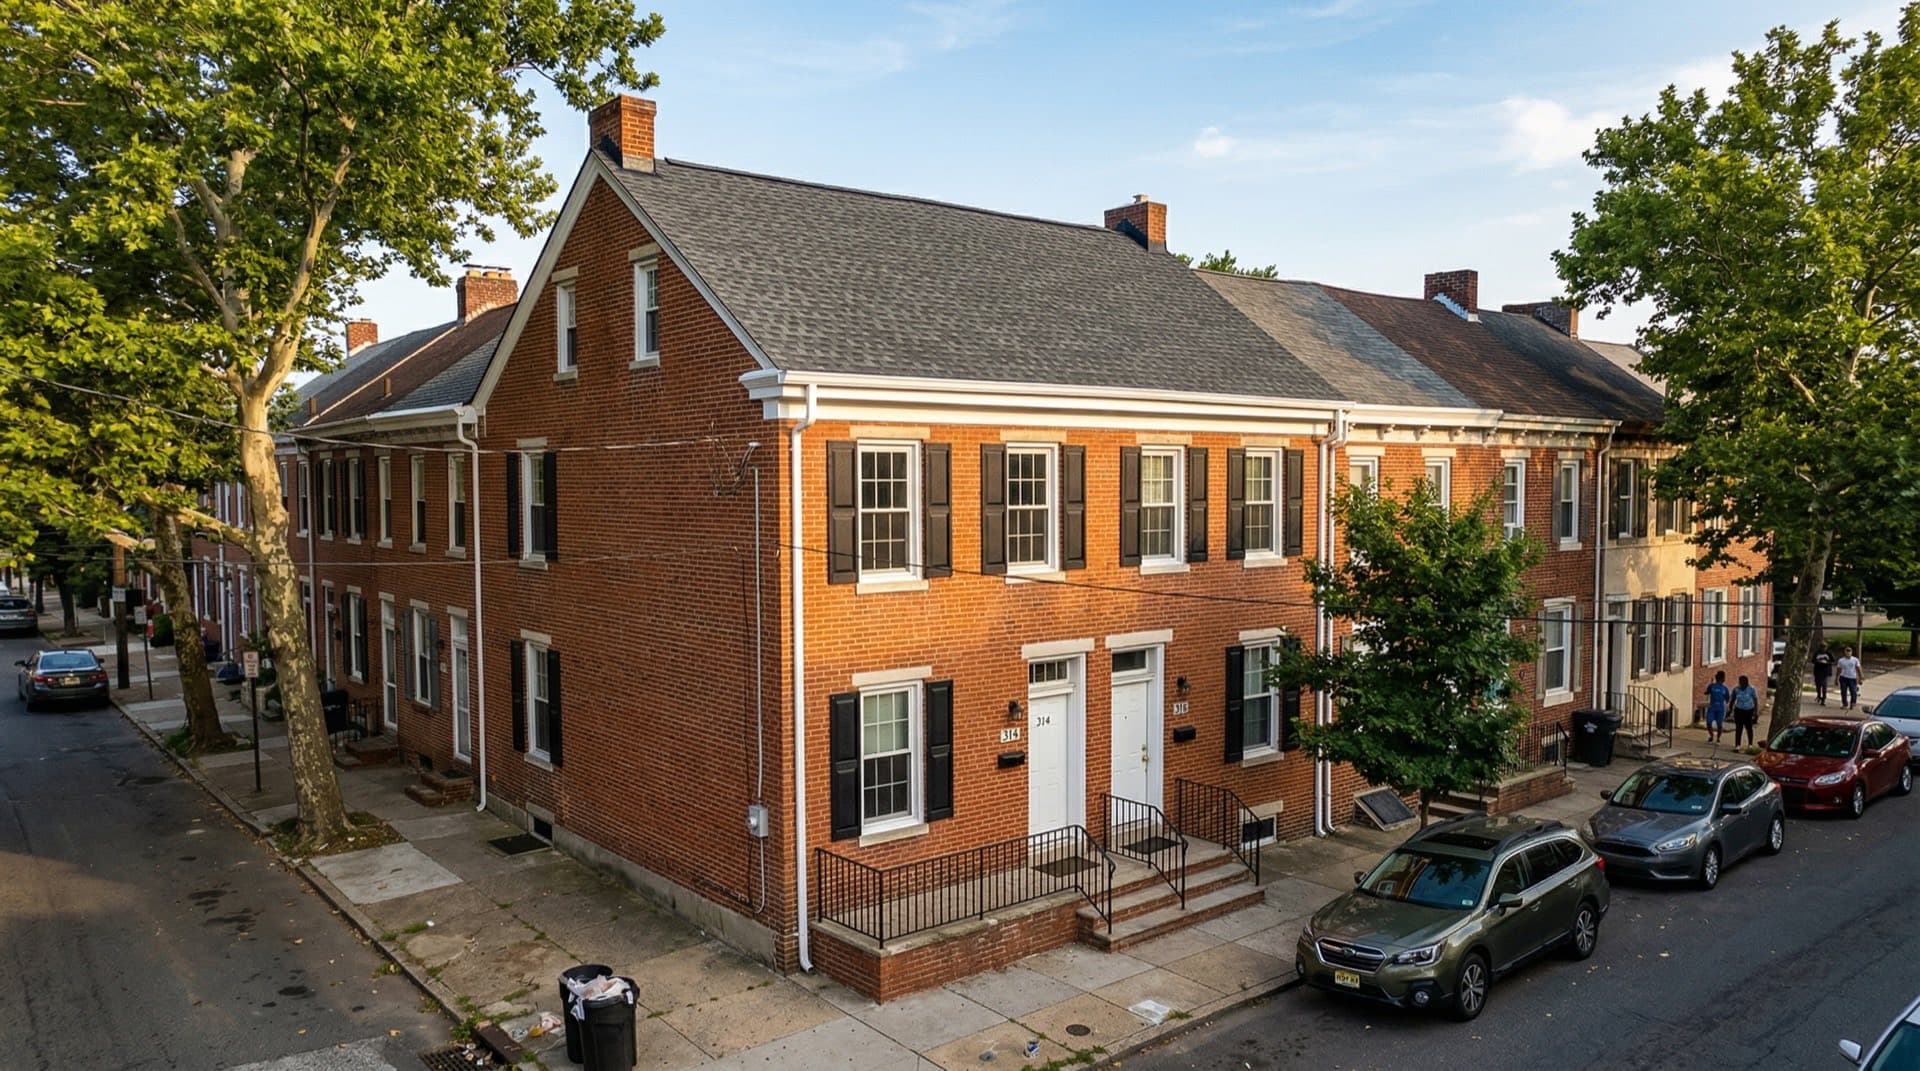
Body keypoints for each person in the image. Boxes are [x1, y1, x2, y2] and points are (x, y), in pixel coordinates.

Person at [1731, 675, 1761, 748]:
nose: (1742, 684)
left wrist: (1756, 711)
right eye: (1740, 682)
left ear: (1747, 683)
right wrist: (1730, 709)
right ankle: (1737, 745)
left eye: (1744, 683)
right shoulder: (1736, 689)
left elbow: (1755, 700)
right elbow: (1733, 699)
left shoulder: (1751, 689)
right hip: (1739, 710)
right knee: (1739, 728)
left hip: (1749, 710)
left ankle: (1750, 744)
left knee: (1749, 727)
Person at [1704, 670, 1731, 743]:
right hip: (1712, 707)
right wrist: (1708, 688)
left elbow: (1727, 698)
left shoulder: (1724, 688)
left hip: (1720, 708)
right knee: (1709, 722)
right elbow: (1707, 692)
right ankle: (1711, 736)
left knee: (1719, 724)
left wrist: (1728, 707)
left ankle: (1718, 738)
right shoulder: (1712, 686)